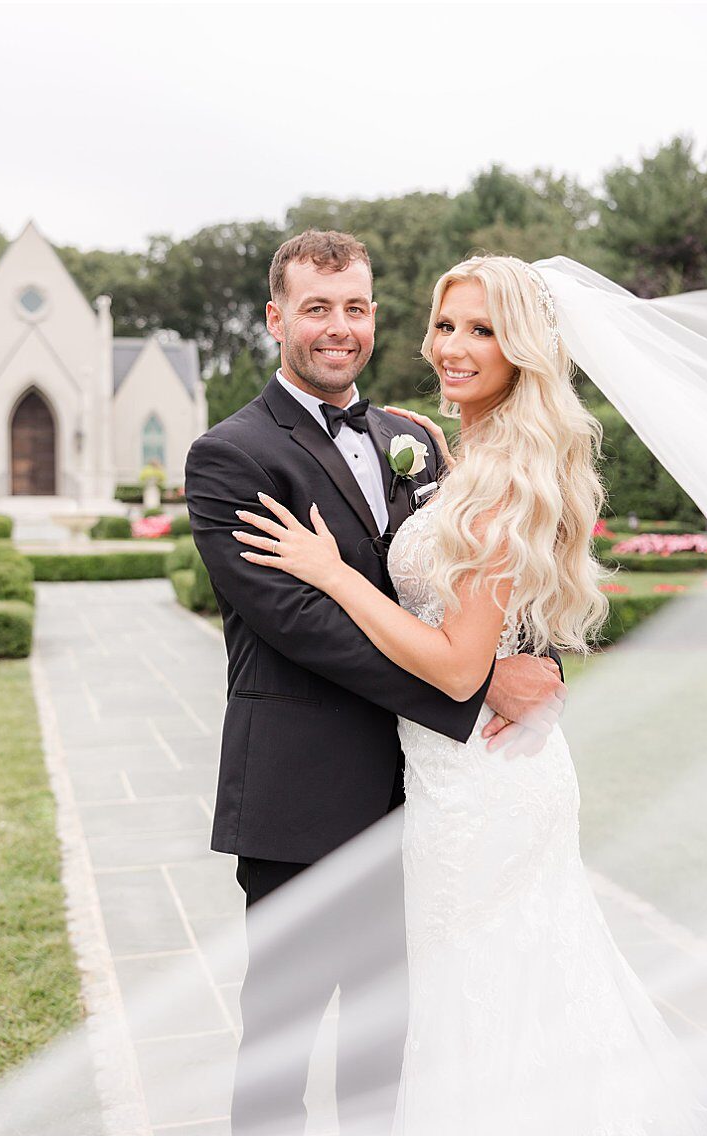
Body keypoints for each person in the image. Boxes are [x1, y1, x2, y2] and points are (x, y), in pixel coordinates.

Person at [230, 253, 707, 1132]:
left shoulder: (494, 470)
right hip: (425, 778)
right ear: (276, 316)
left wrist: (336, 575)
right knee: (450, 1008)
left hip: (481, 782)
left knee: (483, 1007)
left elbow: (462, 661)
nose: (453, 346)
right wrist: (511, 667)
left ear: (524, 348)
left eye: (483, 330)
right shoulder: (444, 449)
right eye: (447, 324)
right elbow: (477, 627)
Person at [184, 231, 567, 1134]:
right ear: (277, 318)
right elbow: (304, 628)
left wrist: (542, 661)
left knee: (391, 1050)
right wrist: (474, 693)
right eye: (316, 308)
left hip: (427, 808)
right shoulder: (229, 455)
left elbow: (493, 568)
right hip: (302, 799)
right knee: (279, 1053)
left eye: (355, 306)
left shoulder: (415, 439)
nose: (338, 328)